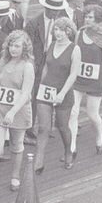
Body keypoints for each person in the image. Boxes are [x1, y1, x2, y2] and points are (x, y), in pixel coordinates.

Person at [0, 30, 35, 193]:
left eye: (17, 46)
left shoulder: (27, 66)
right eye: (11, 45)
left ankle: (15, 176)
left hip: (18, 110)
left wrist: (12, 112)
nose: (13, 49)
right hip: (0, 107)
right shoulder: (3, 63)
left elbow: (26, 93)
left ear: (24, 48)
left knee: (16, 144)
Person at [32, 17, 78, 171]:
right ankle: (39, 161)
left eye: (62, 30)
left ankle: (68, 151)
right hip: (47, 90)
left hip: (63, 92)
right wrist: (41, 85)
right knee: (43, 127)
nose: (58, 33)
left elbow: (73, 74)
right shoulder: (51, 45)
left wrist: (62, 93)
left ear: (69, 32)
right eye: (56, 29)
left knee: (62, 126)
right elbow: (46, 66)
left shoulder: (74, 49)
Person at [69, 6, 102, 157]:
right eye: (86, 17)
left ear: (98, 20)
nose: (87, 20)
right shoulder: (79, 33)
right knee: (73, 112)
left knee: (92, 114)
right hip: (78, 79)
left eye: (91, 17)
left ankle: (99, 137)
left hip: (95, 80)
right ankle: (72, 145)